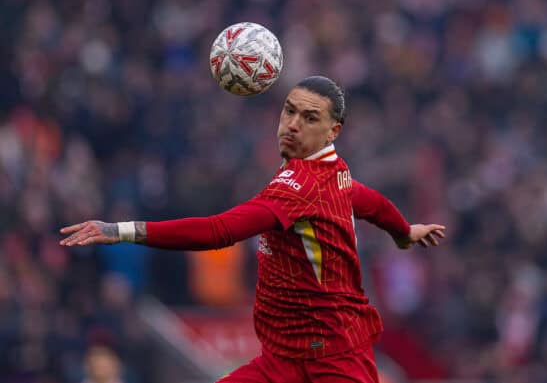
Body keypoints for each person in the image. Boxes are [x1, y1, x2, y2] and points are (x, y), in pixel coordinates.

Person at [60, 76, 446, 383]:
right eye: (289, 111)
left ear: (333, 132)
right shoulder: (335, 172)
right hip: (283, 362)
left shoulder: (296, 189)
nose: (292, 125)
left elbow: (217, 231)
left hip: (334, 362)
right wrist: (403, 231)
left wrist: (121, 229)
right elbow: (370, 202)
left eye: (309, 118)